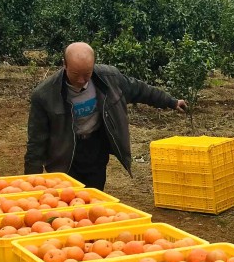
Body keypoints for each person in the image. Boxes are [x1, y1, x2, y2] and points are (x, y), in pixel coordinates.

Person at [24, 42, 187, 189]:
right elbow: (36, 141)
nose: (81, 80)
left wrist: (171, 101)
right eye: (75, 74)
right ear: (64, 65)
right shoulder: (45, 95)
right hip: (65, 153)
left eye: (86, 73)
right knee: (67, 199)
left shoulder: (109, 78)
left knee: (94, 194)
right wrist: (32, 183)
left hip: (95, 147)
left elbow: (140, 90)